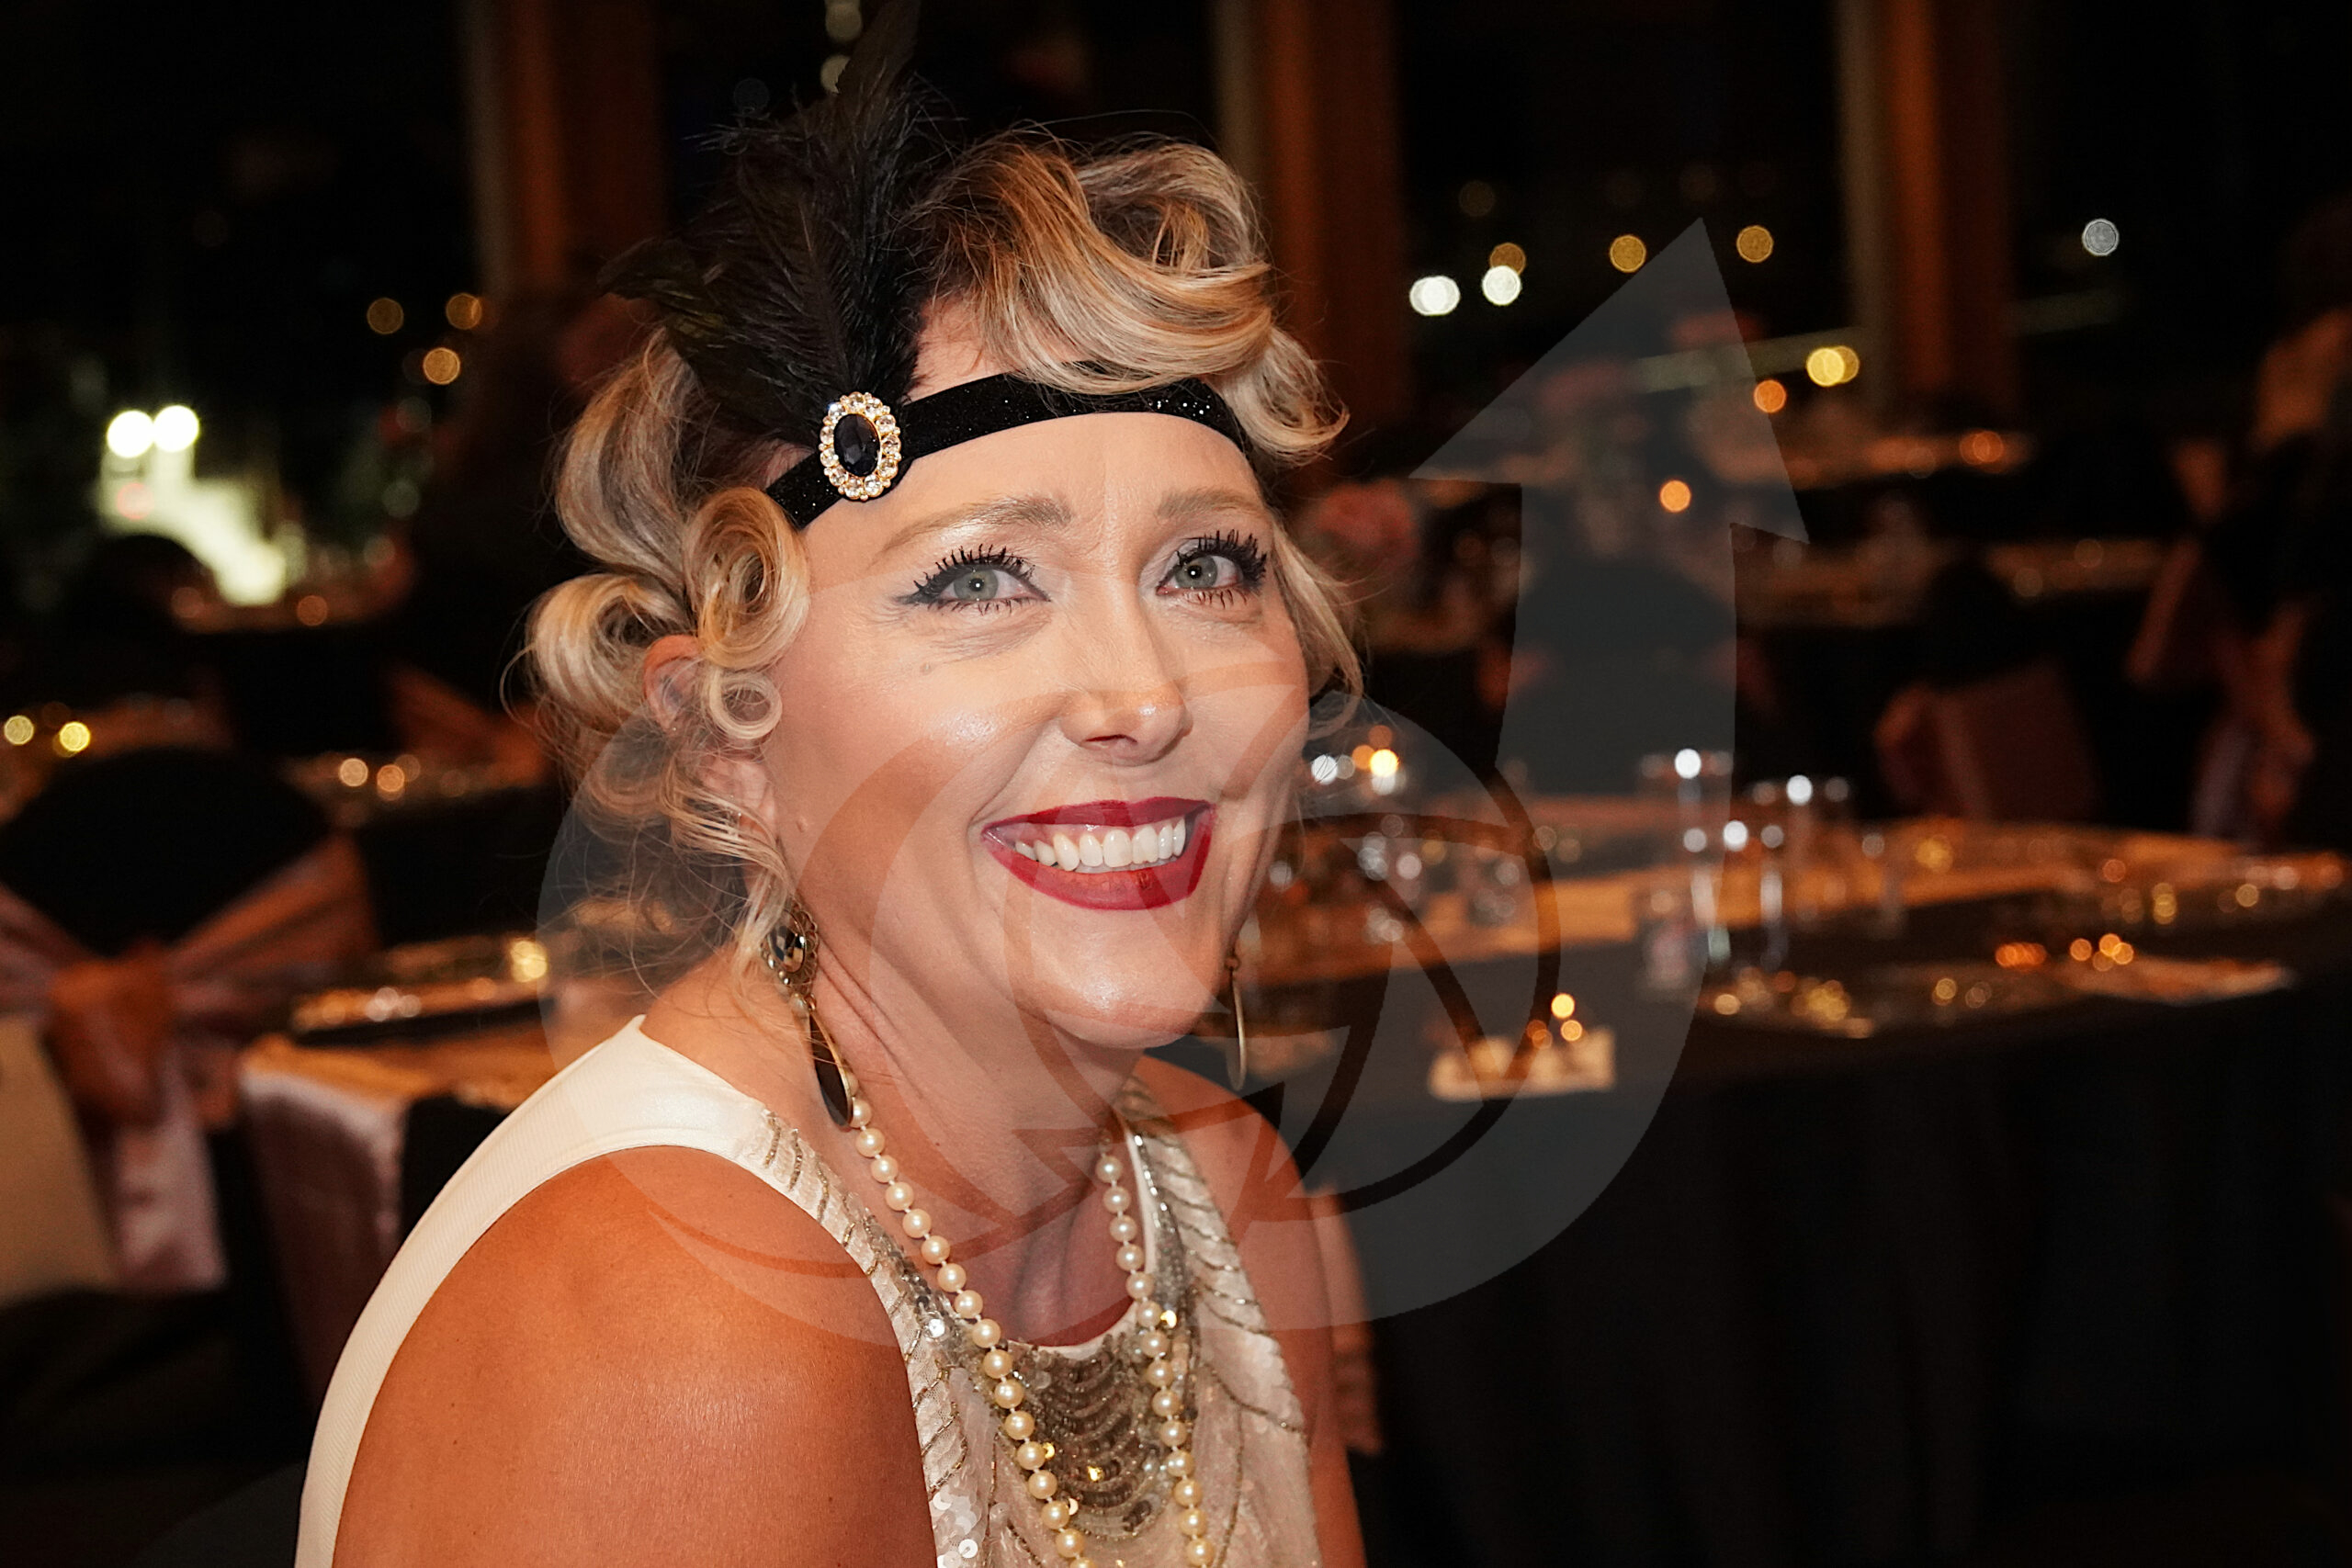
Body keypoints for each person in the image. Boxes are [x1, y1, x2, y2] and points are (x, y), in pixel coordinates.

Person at [300, 9, 1368, 1567]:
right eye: (981, 581)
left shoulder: (1223, 1192)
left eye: (1207, 567)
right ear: (727, 736)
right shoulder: (688, 1331)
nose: (1145, 700)